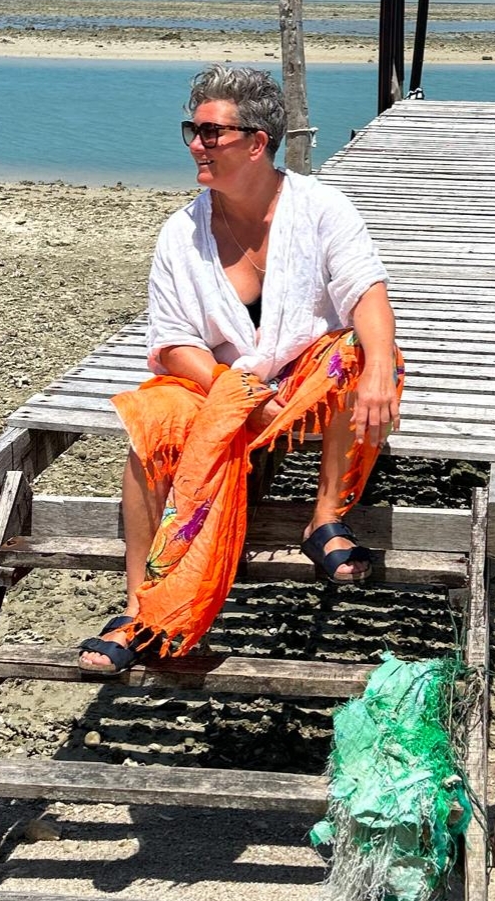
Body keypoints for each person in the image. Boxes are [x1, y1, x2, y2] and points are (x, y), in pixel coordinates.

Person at [79, 65, 404, 674]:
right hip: (219, 382)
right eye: (193, 131)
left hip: (303, 381)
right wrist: (240, 394)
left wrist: (383, 366)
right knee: (151, 421)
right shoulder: (181, 233)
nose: (196, 145)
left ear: (257, 143)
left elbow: (366, 291)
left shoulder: (320, 208)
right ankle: (140, 606)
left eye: (211, 132)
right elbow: (172, 342)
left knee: (358, 354)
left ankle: (325, 519)